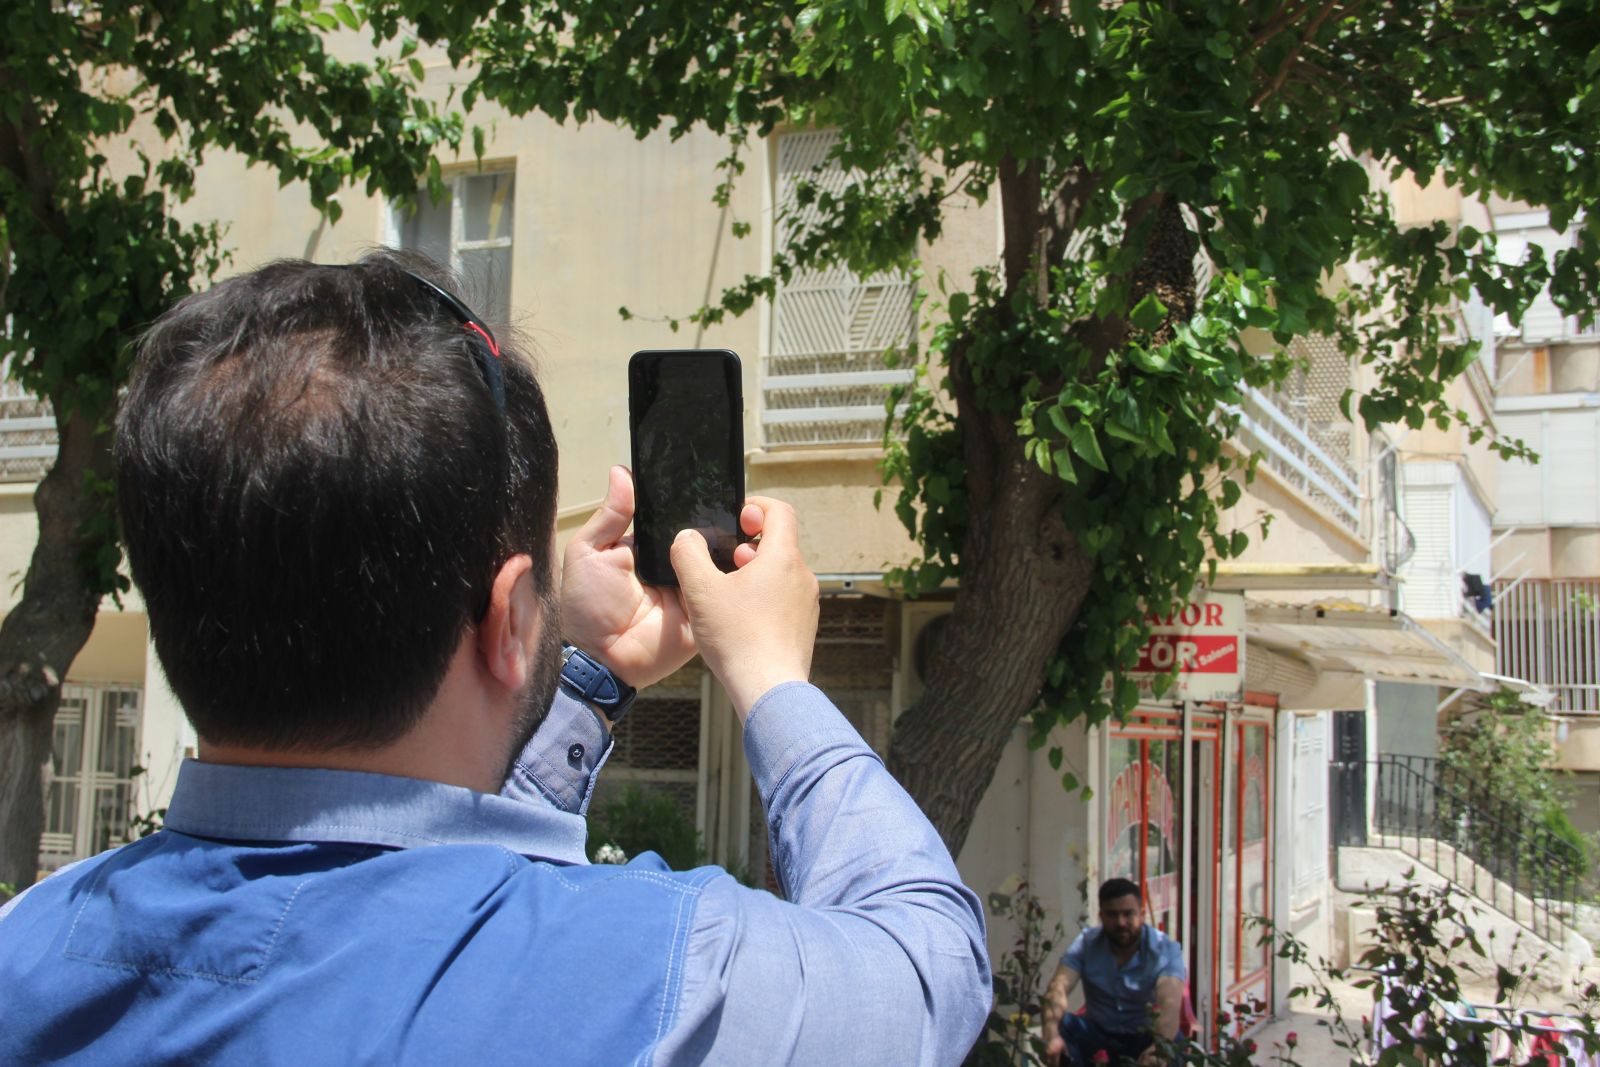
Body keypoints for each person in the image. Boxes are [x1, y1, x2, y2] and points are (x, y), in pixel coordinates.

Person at [0, 251, 990, 1065]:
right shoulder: (652, 981)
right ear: (516, 615)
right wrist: (771, 674)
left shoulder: (30, 948)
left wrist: (590, 669)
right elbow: (927, 968)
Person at [1040, 878, 1186, 1067]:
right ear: (1101, 915)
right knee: (1062, 1026)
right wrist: (1051, 1034)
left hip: (1145, 1038)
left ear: (1141, 914)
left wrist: (1157, 1049)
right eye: (1112, 914)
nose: (1121, 922)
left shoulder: (1164, 949)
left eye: (1128, 914)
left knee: (1172, 1045)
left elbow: (1170, 1006)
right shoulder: (1086, 943)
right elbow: (1057, 988)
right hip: (1098, 1038)